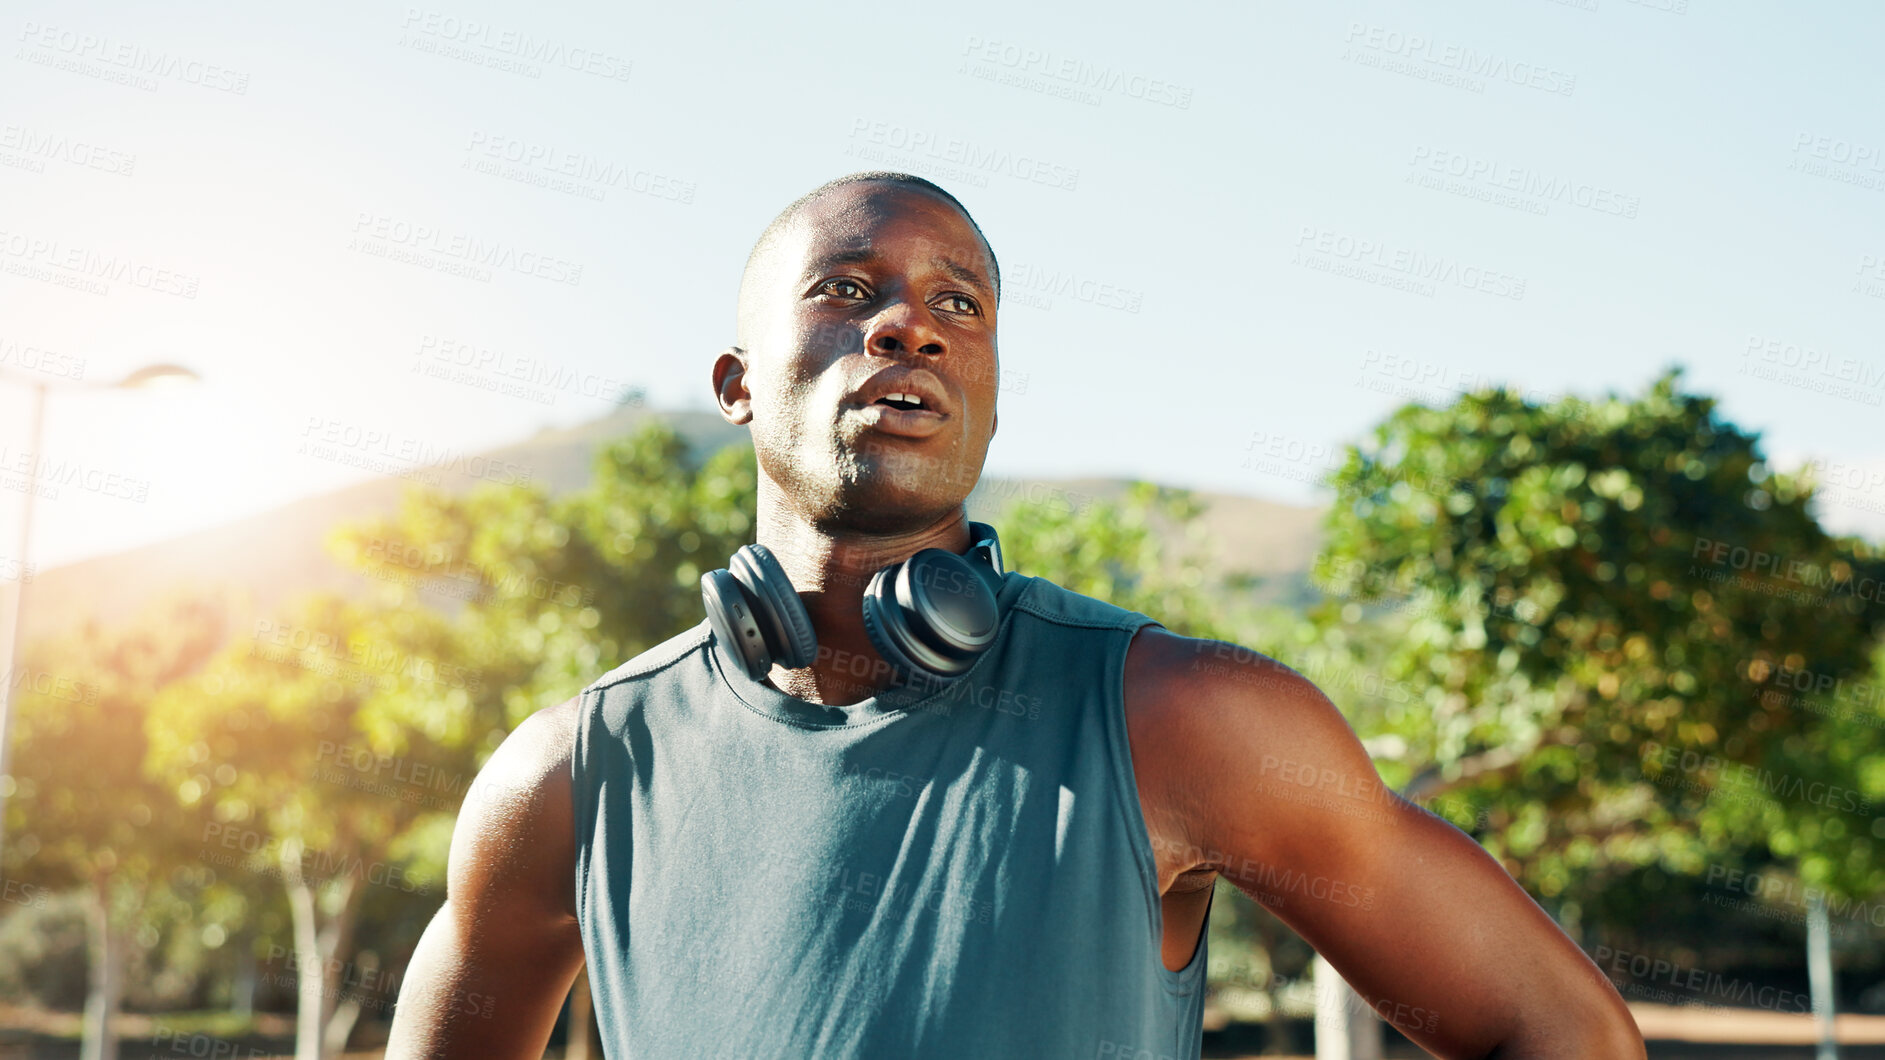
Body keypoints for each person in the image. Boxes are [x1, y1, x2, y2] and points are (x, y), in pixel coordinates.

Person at [385, 171, 1646, 1059]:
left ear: (989, 389)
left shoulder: (1188, 716)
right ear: (736, 383)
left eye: (959, 305)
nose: (908, 326)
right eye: (844, 290)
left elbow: (1560, 1033)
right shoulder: (570, 772)